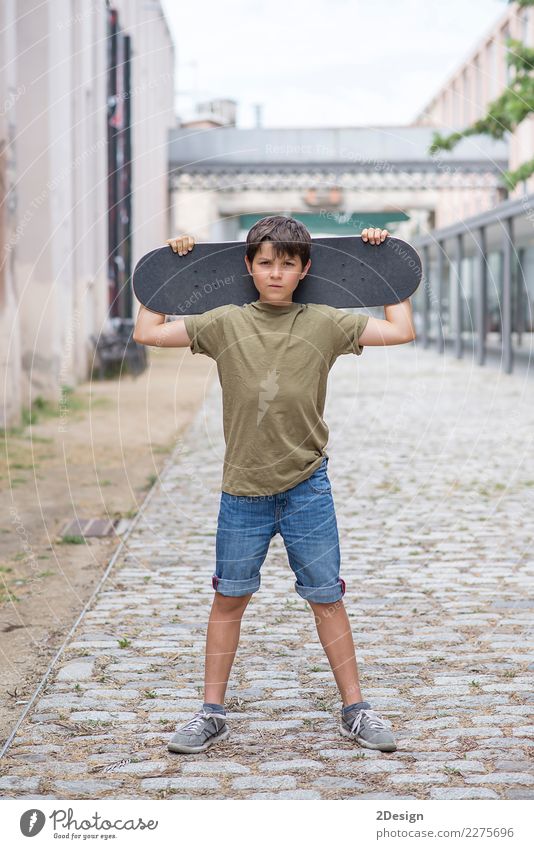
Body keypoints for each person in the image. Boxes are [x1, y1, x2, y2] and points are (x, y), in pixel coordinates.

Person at [133, 215, 416, 756]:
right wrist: (169, 271)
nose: (276, 272)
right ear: (249, 266)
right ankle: (210, 712)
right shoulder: (223, 323)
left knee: (327, 599)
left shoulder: (327, 323)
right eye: (266, 262)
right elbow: (147, 331)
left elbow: (401, 329)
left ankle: (355, 709)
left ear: (305, 268)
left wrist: (383, 267)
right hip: (243, 491)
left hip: (309, 487)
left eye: (288, 263)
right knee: (229, 600)